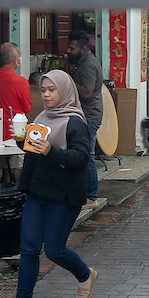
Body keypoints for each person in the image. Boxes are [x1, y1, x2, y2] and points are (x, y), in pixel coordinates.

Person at [0, 70, 97, 298]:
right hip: (38, 190)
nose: (47, 95)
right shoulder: (41, 116)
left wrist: (52, 151)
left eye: (52, 90)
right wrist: (21, 139)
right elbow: (34, 149)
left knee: (54, 250)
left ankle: (85, 275)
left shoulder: (74, 122)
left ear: (65, 90)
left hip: (63, 194)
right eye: (43, 90)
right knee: (28, 248)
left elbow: (81, 158)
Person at [0, 42, 32, 184]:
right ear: (15, 60)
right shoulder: (21, 82)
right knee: (9, 170)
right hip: (14, 131)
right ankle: (5, 199)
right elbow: (27, 108)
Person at [66, 30, 103, 210]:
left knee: (87, 156)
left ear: (82, 48)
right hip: (83, 116)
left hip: (89, 116)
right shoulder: (81, 63)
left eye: (72, 48)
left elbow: (87, 93)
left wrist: (68, 81)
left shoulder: (87, 65)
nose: (68, 51)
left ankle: (91, 197)